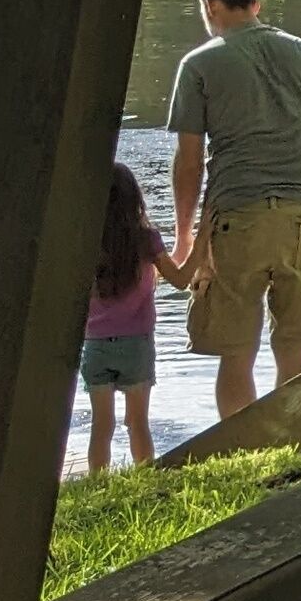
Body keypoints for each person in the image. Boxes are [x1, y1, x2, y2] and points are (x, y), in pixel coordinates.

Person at [165, 0, 301, 417]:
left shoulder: (199, 64)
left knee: (236, 350)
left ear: (210, 5)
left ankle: (240, 445)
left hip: (237, 217)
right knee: (294, 345)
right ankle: (294, 439)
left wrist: (184, 235)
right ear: (256, 5)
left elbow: (189, 163)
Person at [78, 162, 188, 473]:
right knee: (137, 422)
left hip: (95, 345)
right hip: (136, 344)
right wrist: (203, 238)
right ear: (134, 199)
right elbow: (180, 280)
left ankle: (98, 484)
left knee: (102, 426)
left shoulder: (86, 241)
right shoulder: (147, 240)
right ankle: (146, 479)